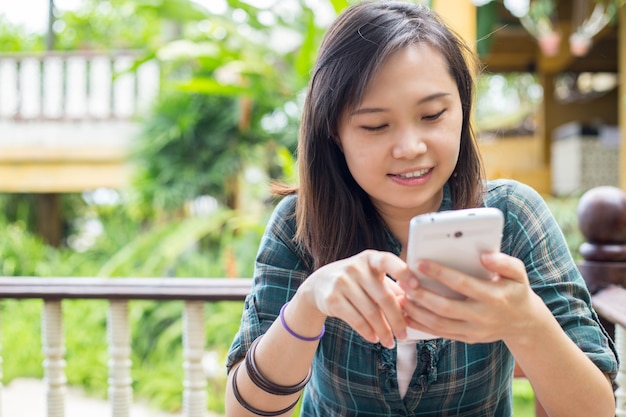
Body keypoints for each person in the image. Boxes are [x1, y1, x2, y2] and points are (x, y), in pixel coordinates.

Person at [225, 1, 619, 416]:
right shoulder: (298, 224)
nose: (411, 148)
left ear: (463, 109)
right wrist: (308, 305)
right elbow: (244, 411)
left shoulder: (514, 216)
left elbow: (596, 409)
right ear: (334, 132)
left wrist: (526, 324)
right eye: (375, 125)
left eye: (432, 115)